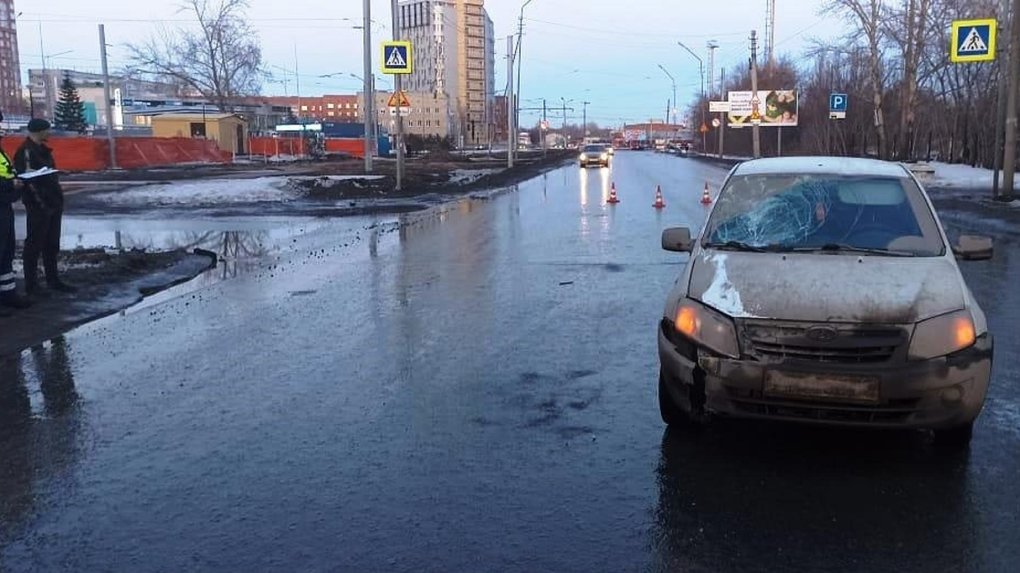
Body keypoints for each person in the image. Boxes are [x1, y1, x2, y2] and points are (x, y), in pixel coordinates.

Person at [14, 118, 76, 295]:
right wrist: (41, 203)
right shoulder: (26, 151)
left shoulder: (42, 150)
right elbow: (27, 179)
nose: (50, 133)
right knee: (34, 244)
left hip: (53, 202)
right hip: (39, 205)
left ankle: (53, 280)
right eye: (47, 130)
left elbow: (44, 175)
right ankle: (32, 285)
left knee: (51, 243)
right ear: (38, 131)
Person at [0, 112, 32, 315]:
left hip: (3, 206)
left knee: (5, 252)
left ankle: (8, 295)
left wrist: (16, 182)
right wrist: (10, 183)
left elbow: (6, 172)